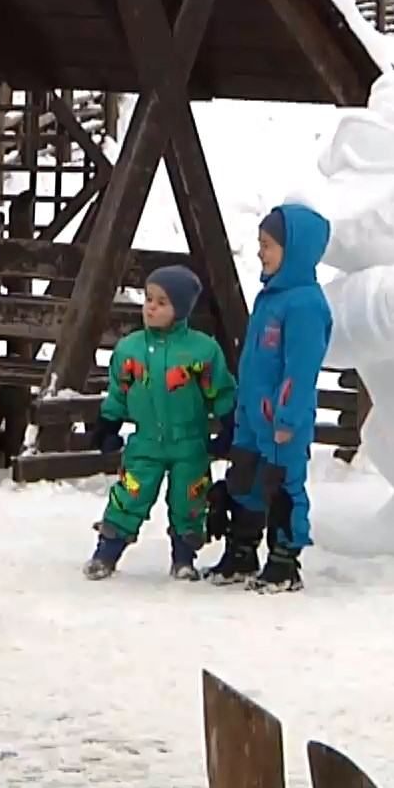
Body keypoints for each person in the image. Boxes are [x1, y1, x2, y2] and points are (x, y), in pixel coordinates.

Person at [205, 204, 334, 593]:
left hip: (282, 424)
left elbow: (300, 370)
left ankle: (284, 562)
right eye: (260, 243)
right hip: (252, 417)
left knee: (282, 487)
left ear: (294, 249)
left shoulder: (306, 305)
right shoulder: (270, 298)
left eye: (267, 244)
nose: (260, 251)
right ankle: (242, 552)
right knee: (244, 478)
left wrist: (287, 419)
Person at [81, 266, 237, 581]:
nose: (151, 307)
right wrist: (107, 425)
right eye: (149, 298)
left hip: (190, 443)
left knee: (189, 501)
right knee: (129, 495)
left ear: (180, 310)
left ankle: (184, 558)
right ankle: (106, 553)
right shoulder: (130, 349)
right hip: (146, 442)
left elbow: (220, 391)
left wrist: (230, 426)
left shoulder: (202, 350)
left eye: (162, 302)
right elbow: (118, 391)